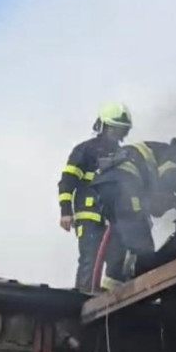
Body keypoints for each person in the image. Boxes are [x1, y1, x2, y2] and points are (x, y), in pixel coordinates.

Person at [91, 138, 176, 290]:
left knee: (120, 238)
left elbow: (154, 203)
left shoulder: (164, 152)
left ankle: (109, 287)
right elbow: (160, 198)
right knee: (141, 241)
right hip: (124, 182)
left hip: (104, 186)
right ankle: (143, 285)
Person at [57, 102, 132, 293]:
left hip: (114, 219)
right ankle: (85, 298)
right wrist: (66, 212)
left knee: (119, 259)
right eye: (115, 129)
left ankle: (111, 299)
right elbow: (67, 181)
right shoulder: (85, 150)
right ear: (104, 126)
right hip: (89, 216)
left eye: (122, 130)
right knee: (90, 259)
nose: (118, 134)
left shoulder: (124, 154)